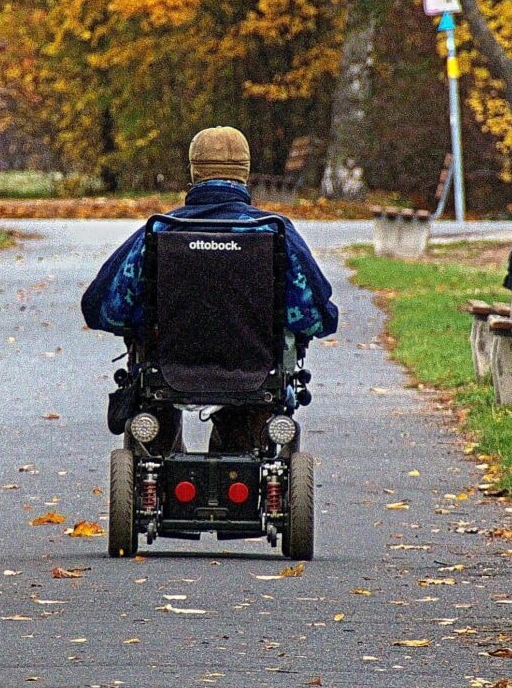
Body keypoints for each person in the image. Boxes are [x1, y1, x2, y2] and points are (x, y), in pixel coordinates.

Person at [82, 126, 339, 452]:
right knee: (250, 413)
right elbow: (314, 318)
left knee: (152, 394)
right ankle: (235, 462)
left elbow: (104, 309)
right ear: (245, 172)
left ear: (194, 171)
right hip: (255, 373)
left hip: (166, 370)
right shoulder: (275, 233)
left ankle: (164, 458)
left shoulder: (160, 231)